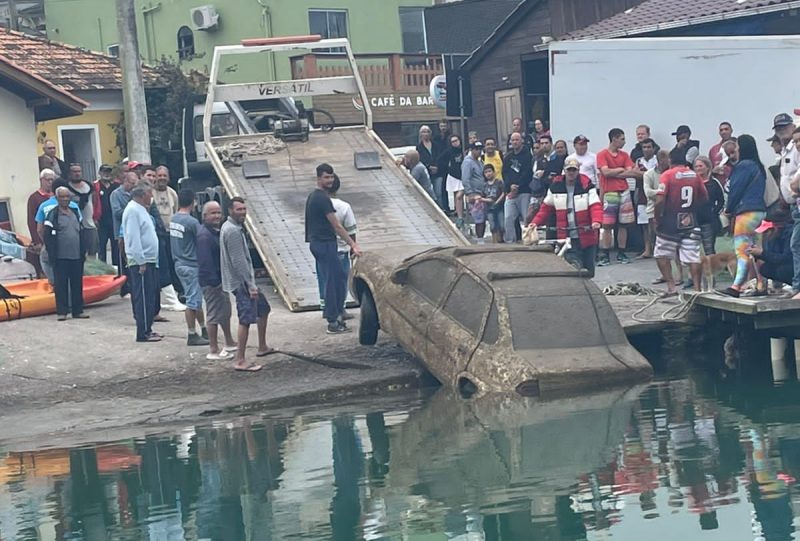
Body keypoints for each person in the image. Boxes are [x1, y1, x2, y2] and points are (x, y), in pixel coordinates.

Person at [306, 164, 362, 333]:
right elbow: (337, 226)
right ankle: (333, 322)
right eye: (326, 177)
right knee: (332, 282)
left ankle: (337, 314)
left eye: (331, 177)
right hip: (325, 244)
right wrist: (353, 244)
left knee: (336, 280)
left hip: (319, 243)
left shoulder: (313, 197)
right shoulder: (322, 199)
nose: (329, 180)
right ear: (318, 179)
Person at [221, 197, 274, 370]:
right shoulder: (233, 231)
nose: (243, 212)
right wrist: (250, 285)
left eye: (244, 209)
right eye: (239, 209)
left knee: (263, 308)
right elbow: (239, 262)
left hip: (242, 281)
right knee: (245, 319)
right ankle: (240, 360)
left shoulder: (231, 227)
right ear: (230, 210)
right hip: (242, 283)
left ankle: (262, 346)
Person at [530, 157, 602, 277]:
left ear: (578, 171)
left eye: (574, 170)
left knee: (589, 270)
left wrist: (596, 221)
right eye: (569, 170)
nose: (571, 173)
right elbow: (545, 208)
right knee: (574, 265)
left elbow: (595, 205)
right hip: (566, 235)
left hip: (586, 234)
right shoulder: (555, 186)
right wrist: (535, 223)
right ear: (564, 170)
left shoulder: (587, 185)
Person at [654, 149, 708, 295]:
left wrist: (657, 217)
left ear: (670, 161)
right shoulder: (695, 175)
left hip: (669, 223)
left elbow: (659, 200)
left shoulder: (667, 175)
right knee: (693, 256)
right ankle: (697, 289)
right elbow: (704, 197)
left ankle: (671, 287)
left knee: (661, 254)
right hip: (690, 221)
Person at [721, 134, 767, 298]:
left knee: (742, 250)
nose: (736, 150)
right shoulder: (758, 166)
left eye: (738, 147)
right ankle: (761, 283)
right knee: (755, 250)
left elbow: (736, 190)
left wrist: (728, 209)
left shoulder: (743, 166)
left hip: (745, 212)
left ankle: (736, 286)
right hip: (760, 212)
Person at [197, 201, 238, 361]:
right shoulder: (204, 236)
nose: (217, 216)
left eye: (219, 213)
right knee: (214, 314)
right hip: (211, 281)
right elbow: (205, 262)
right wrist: (214, 282)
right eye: (213, 213)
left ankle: (229, 341)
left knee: (225, 310)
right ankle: (213, 349)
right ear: (205, 215)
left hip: (222, 279)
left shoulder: (215, 232)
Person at [122, 183, 161, 342]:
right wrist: (140, 261)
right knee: (143, 297)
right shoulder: (132, 210)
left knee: (150, 296)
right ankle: (143, 332)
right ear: (143, 194)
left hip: (149, 259)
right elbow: (133, 237)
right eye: (150, 193)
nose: (151, 197)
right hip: (141, 261)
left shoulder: (141, 209)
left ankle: (148, 328)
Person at [170, 189, 210, 346]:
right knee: (193, 301)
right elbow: (202, 241)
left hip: (179, 263)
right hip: (191, 265)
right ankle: (192, 334)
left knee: (195, 299)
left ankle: (203, 328)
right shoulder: (191, 222)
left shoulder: (175, 219)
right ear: (193, 202)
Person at [597, 128, 642, 265]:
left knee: (624, 224)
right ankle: (605, 254)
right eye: (622, 139)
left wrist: (614, 172)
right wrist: (620, 170)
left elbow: (633, 173)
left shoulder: (625, 155)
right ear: (614, 139)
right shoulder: (602, 154)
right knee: (607, 224)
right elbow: (605, 172)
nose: (624, 141)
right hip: (609, 192)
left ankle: (621, 252)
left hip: (624, 191)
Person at [43, 186, 89, 320]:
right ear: (56, 198)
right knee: (61, 285)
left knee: (77, 284)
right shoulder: (52, 214)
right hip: (60, 256)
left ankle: (78, 311)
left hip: (76, 256)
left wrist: (83, 251)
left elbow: (81, 232)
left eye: (67, 196)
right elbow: (47, 236)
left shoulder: (75, 212)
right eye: (62, 197)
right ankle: (62, 312)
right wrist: (52, 254)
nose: (65, 199)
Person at [315, 174, 358, 316]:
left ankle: (325, 308)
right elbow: (350, 230)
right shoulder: (344, 207)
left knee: (324, 279)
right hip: (339, 250)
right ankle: (339, 310)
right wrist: (353, 246)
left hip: (321, 248)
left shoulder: (317, 202)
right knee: (339, 282)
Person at [502, 132, 533, 243]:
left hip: (524, 191)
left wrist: (518, 186)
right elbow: (504, 173)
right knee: (508, 218)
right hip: (510, 192)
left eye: (517, 140)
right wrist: (510, 186)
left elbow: (527, 173)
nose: (515, 142)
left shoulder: (527, 155)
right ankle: (510, 241)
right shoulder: (508, 157)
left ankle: (528, 240)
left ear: (521, 141)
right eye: (513, 140)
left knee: (526, 218)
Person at [65, 163, 99, 258]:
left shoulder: (89, 186)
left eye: (79, 171)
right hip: (74, 227)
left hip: (90, 225)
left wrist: (96, 217)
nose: (77, 174)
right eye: (74, 171)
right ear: (70, 173)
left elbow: (95, 202)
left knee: (93, 253)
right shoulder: (66, 188)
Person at [694, 156, 726, 256]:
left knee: (709, 250)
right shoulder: (692, 183)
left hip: (708, 222)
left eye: (700, 166)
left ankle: (712, 270)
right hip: (694, 221)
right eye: (696, 166)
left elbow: (722, 201)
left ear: (707, 167)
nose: (698, 168)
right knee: (693, 251)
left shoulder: (714, 183)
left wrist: (714, 212)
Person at [642, 150, 670, 261]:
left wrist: (658, 192)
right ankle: (653, 251)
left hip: (669, 206)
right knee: (653, 231)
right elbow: (648, 192)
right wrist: (663, 192)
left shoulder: (671, 172)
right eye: (664, 160)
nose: (667, 162)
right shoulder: (648, 174)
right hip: (653, 206)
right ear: (659, 160)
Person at [749, 220, 792, 287]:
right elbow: (772, 257)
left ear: (774, 229)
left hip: (791, 264)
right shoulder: (771, 238)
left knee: (782, 270)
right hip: (783, 263)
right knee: (765, 269)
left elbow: (786, 258)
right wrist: (758, 254)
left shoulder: (789, 235)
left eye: (766, 231)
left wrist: (762, 253)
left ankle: (794, 286)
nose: (764, 234)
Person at [94, 164, 119, 265]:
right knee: (101, 248)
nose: (106, 174)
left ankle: (117, 270)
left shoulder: (116, 186)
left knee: (116, 248)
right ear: (100, 173)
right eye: (104, 171)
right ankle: (103, 271)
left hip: (114, 222)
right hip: (101, 222)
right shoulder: (95, 186)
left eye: (108, 171)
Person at [773, 113, 799, 204]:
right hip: (792, 204)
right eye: (778, 128)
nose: (781, 130)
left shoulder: (797, 147)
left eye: (785, 127)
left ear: (793, 127)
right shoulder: (784, 150)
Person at [462, 142, 487, 239]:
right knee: (479, 219)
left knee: (483, 218)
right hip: (474, 194)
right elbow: (465, 179)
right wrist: (470, 193)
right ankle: (479, 239)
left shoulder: (480, 162)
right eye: (476, 149)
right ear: (471, 150)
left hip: (482, 194)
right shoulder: (468, 162)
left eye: (480, 149)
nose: (479, 151)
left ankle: (481, 237)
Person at [416, 125, 444, 208]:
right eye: (423, 132)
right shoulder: (419, 147)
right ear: (420, 134)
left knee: (438, 193)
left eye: (427, 131)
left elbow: (440, 157)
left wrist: (437, 166)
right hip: (426, 174)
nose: (426, 134)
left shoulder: (436, 145)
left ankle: (441, 209)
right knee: (429, 193)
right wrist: (429, 167)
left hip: (438, 172)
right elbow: (420, 160)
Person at [27, 168, 54, 248]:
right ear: (41, 180)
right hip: (42, 237)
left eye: (52, 180)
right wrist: (37, 240)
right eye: (48, 180)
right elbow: (31, 220)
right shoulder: (34, 198)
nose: (50, 182)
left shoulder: (56, 196)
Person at [444, 135, 466, 228]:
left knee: (459, 195)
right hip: (454, 175)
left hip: (464, 176)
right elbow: (441, 159)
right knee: (457, 196)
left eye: (456, 140)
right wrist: (448, 168)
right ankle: (459, 215)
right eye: (452, 141)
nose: (455, 143)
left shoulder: (464, 149)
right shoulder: (449, 151)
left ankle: (461, 214)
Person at [481, 163, 505, 243]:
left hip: (499, 208)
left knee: (502, 225)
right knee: (492, 226)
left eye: (489, 171)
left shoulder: (499, 182)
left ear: (494, 172)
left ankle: (501, 239)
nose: (488, 174)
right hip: (489, 209)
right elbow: (483, 196)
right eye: (486, 172)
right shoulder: (484, 185)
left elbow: (503, 193)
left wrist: (497, 201)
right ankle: (494, 242)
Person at [433, 120, 452, 212]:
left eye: (444, 126)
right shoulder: (436, 138)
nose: (443, 128)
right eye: (441, 126)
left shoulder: (450, 137)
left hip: (450, 164)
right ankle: (445, 207)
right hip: (441, 165)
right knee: (442, 188)